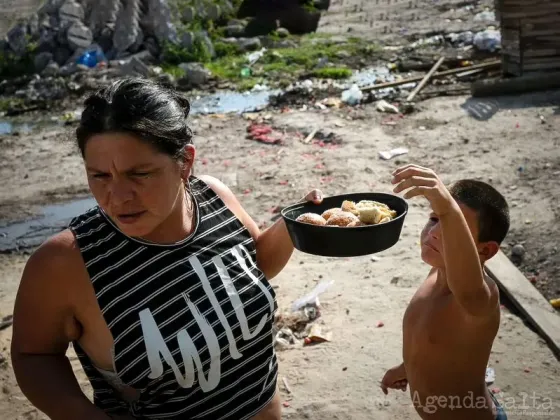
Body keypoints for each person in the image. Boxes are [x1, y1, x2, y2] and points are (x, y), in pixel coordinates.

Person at [11, 78, 323, 420]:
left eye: (140, 174)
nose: (118, 197)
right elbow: (34, 356)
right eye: (99, 176)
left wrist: (293, 222)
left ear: (185, 162)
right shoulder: (66, 262)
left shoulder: (212, 196)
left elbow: (255, 262)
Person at [380, 164, 509, 420]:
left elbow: (469, 291)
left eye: (451, 228)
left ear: (485, 251)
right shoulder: (436, 274)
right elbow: (434, 343)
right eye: (434, 219)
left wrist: (449, 210)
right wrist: (406, 367)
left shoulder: (480, 300)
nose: (434, 232)